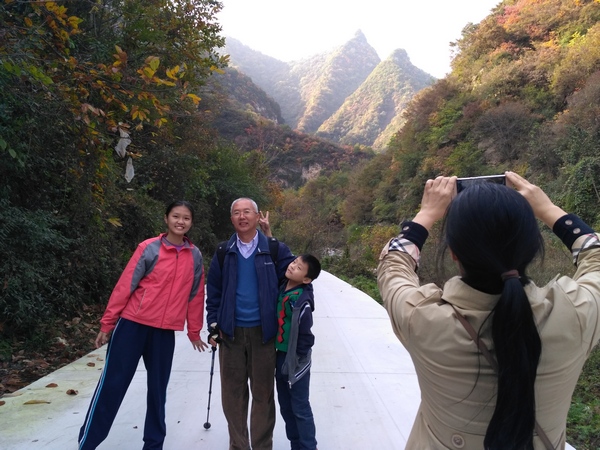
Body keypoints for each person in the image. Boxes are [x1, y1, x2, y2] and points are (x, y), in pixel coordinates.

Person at [377, 172, 600, 450]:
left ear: (454, 254)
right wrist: (549, 210)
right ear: (532, 250)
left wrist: (427, 213)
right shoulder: (578, 315)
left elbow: (393, 265)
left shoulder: (420, 318)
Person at [78, 201, 208, 450]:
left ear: (191, 223)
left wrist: (194, 331)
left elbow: (195, 295)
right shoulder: (149, 248)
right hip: (132, 327)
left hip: (163, 333)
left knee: (158, 391)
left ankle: (153, 445)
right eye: (176, 216)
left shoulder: (195, 256)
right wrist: (108, 323)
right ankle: (87, 443)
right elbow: (125, 285)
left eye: (186, 218)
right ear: (166, 218)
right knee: (112, 386)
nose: (180, 222)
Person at [206, 197, 295, 450]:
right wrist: (213, 324)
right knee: (232, 397)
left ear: (258, 217)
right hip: (230, 334)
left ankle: (262, 446)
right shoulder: (224, 251)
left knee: (263, 396)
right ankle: (239, 446)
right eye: (236, 212)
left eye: (247, 212)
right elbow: (213, 292)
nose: (242, 216)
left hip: (264, 335)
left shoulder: (274, 250)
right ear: (231, 219)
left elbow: (295, 278)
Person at [274, 253, 321, 450]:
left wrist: (299, 358)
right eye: (294, 262)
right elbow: (280, 255)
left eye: (299, 267)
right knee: (285, 405)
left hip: (296, 359)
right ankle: (295, 444)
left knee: (300, 406)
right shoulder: (283, 285)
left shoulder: (302, 301)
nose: (293, 266)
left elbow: (305, 336)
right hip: (279, 356)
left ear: (306, 280)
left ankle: (308, 446)